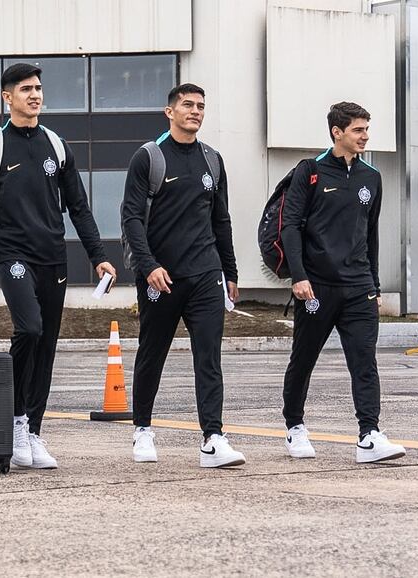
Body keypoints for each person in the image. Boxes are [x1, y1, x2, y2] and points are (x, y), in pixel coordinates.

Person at [0, 63, 116, 469]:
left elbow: (78, 207)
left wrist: (98, 256)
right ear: (7, 97)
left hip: (53, 256)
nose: (35, 95)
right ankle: (14, 420)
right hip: (12, 253)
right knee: (29, 328)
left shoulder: (57, 146)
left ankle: (33, 430)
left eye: (39, 88)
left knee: (46, 344)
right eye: (26, 89)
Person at [121, 83, 245, 468]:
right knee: (152, 353)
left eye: (201, 106)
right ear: (169, 111)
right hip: (161, 277)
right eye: (187, 105)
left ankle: (213, 438)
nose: (195, 111)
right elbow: (131, 218)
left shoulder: (212, 160)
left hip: (206, 274)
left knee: (208, 356)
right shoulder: (150, 158)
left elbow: (220, 219)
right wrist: (149, 265)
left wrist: (230, 272)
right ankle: (142, 429)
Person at [280, 101, 405, 463]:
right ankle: (295, 427)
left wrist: (376, 285)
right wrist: (298, 277)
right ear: (338, 132)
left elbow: (370, 236)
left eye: (366, 129)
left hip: (359, 288)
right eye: (358, 130)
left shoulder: (371, 178)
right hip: (316, 288)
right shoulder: (310, 171)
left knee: (365, 362)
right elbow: (290, 226)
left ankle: (369, 434)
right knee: (303, 360)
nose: (365, 136)